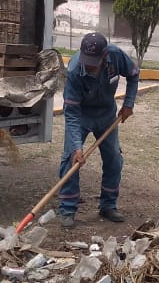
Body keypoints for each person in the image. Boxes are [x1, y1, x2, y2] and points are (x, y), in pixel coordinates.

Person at [57, 32, 140, 228]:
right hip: (81, 116)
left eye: (94, 61)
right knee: (71, 159)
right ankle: (68, 208)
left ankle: (108, 205)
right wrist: (77, 147)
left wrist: (129, 103)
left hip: (107, 115)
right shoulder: (76, 70)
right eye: (87, 60)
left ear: (104, 55)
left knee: (114, 158)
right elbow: (71, 113)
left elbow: (134, 75)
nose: (90, 65)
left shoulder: (116, 56)